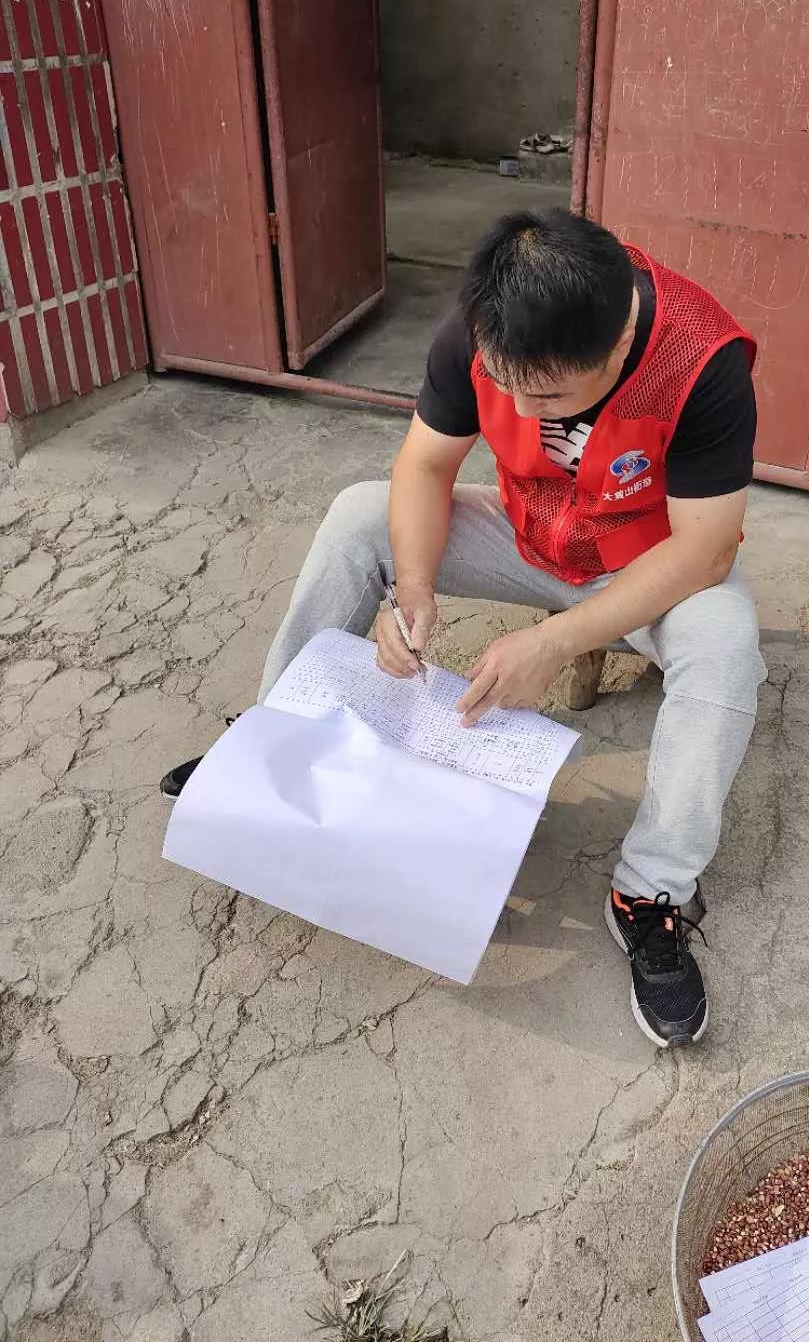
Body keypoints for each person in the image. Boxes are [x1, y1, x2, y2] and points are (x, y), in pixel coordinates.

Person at [162, 208, 766, 1047]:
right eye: (505, 384)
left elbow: (705, 549)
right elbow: (426, 462)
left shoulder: (702, 361)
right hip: (531, 534)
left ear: (621, 345)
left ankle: (650, 891)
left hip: (646, 562)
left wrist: (556, 642)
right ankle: (273, 743)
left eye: (545, 396)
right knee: (360, 514)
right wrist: (412, 585)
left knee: (726, 646)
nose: (516, 407)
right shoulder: (486, 329)